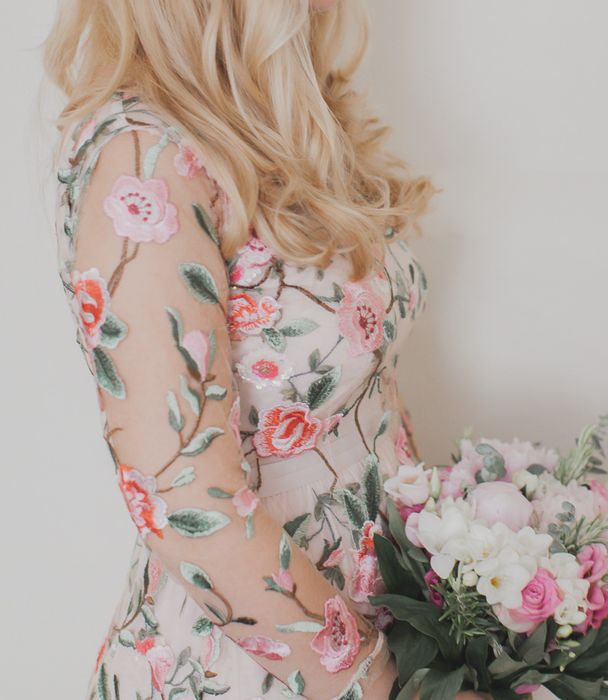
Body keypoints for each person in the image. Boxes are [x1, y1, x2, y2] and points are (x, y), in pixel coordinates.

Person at [43, 0, 506, 698]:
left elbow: (366, 404)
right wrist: (383, 685)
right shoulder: (143, 159)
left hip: (386, 630)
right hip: (261, 668)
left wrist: (525, 557)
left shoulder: (277, 120)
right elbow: (183, 499)